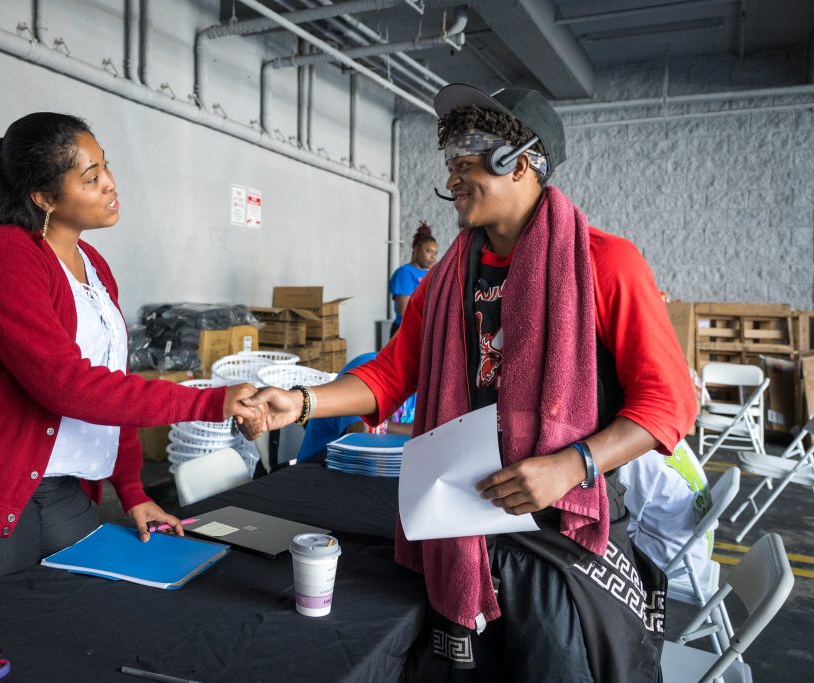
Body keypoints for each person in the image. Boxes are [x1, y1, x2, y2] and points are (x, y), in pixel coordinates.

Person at [243, 85, 696, 682]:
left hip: (560, 537)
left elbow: (668, 404)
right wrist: (301, 403)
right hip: (462, 527)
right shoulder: (445, 280)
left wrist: (573, 464)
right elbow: (390, 374)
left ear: (523, 161)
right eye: (450, 158)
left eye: (470, 155)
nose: (453, 174)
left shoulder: (606, 265)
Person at [0, 113, 261, 603]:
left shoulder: (94, 267)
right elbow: (65, 385)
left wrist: (133, 490)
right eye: (91, 178)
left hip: (60, 488)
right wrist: (208, 402)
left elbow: (113, 384)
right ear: (43, 197)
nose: (110, 184)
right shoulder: (3, 254)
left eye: (105, 167)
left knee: (74, 622)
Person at [618, 440, 714, 575]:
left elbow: (620, 526)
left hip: (672, 564)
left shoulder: (632, 458)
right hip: (696, 552)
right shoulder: (664, 430)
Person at [295, 353, 412, 463]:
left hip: (380, 466)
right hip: (324, 465)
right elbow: (359, 432)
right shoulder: (370, 365)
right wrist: (419, 431)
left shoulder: (423, 384)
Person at [389, 221, 438, 337]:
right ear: (416, 249)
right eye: (428, 251)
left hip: (422, 331)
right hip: (405, 332)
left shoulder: (428, 275)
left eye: (435, 253)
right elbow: (403, 310)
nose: (433, 256)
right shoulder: (404, 273)